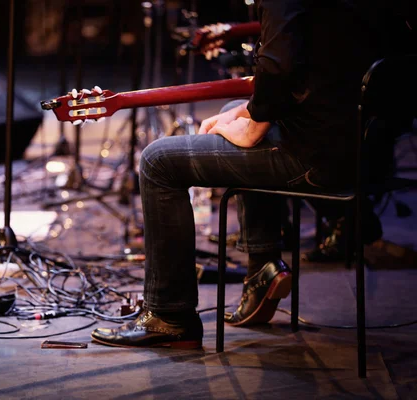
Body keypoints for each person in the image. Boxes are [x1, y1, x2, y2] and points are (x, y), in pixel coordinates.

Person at [90, 1, 415, 348]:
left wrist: (253, 125)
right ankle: (262, 268)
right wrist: (247, 113)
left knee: (158, 161)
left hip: (317, 158)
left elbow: (277, 67)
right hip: (369, 155)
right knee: (233, 111)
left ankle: (170, 317)